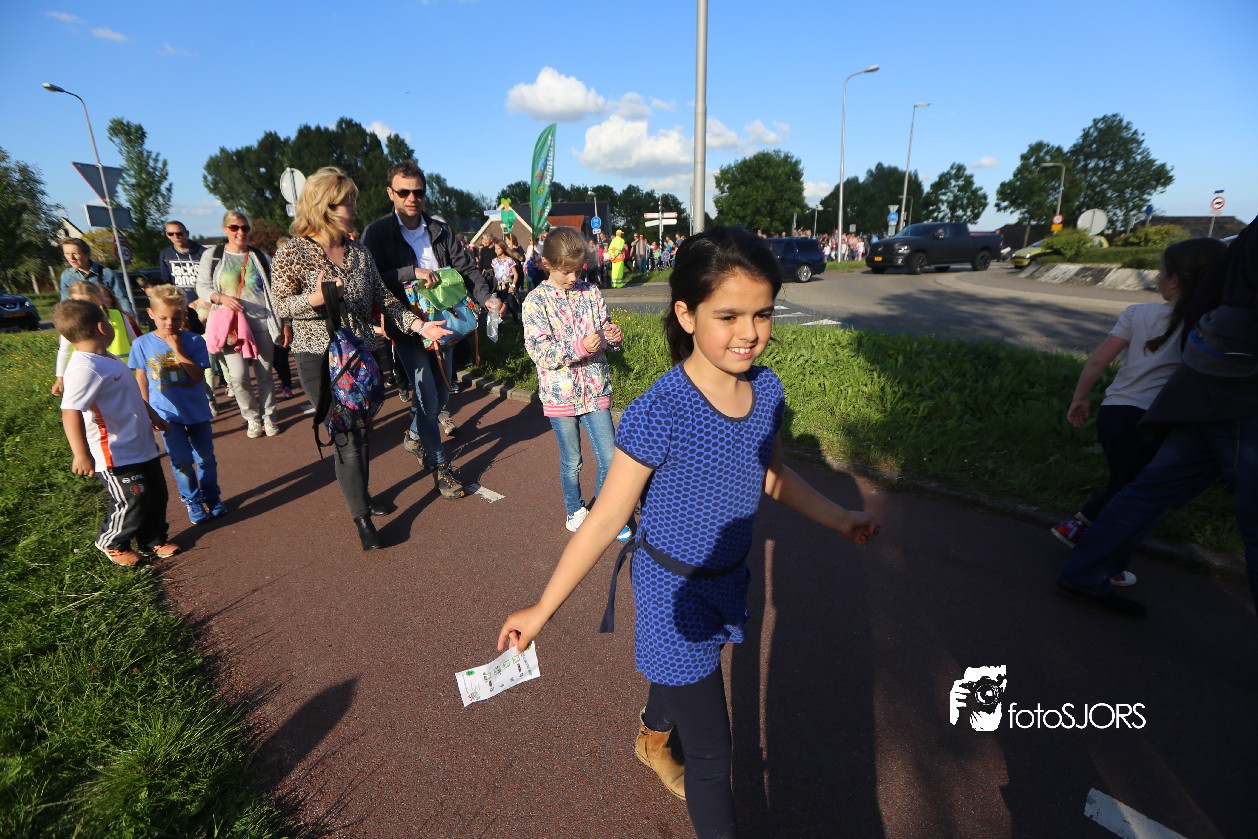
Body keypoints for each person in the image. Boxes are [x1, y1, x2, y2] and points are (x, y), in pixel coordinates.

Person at [498, 227, 880, 836]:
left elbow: (772, 476)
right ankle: (670, 752)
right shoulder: (660, 410)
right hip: (671, 595)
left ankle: (652, 731)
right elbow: (606, 518)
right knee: (711, 754)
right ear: (687, 314)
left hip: (729, 580)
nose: (749, 332)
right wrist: (542, 609)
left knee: (687, 676)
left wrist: (840, 517)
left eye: (762, 314)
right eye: (728, 316)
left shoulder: (767, 390)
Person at [1057, 218, 1257, 617]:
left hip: (1120, 411)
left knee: (1137, 487)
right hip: (1165, 413)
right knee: (1135, 486)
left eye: (1161, 273)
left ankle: (1085, 553)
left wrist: (1080, 398)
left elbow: (1098, 360)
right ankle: (1088, 541)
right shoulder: (1191, 319)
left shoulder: (1145, 313)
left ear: (1175, 279)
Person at [273, 166, 447, 551]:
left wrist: (420, 326)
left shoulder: (359, 252)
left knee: (362, 431)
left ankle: (363, 496)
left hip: (360, 355)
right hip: (319, 358)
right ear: (323, 206)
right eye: (346, 203)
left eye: (352, 201)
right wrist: (317, 298)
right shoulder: (293, 252)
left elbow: (384, 299)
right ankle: (363, 519)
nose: (354, 209)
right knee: (346, 435)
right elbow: (281, 304)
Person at [360, 159, 502, 482]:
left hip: (444, 322)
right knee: (427, 396)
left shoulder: (439, 229)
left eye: (419, 192)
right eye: (404, 192)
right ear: (391, 193)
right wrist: (412, 272)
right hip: (407, 326)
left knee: (444, 394)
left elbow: (467, 269)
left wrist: (486, 298)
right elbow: (371, 277)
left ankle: (414, 435)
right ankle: (440, 468)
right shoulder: (378, 233)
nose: (412, 198)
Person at [522, 226, 633, 540]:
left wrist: (612, 336)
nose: (573, 277)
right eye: (566, 271)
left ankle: (602, 515)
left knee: (610, 457)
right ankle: (575, 511)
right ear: (547, 264)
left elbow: (604, 331)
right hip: (560, 394)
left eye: (578, 270)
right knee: (572, 460)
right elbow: (540, 353)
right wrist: (580, 347)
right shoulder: (535, 301)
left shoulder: (591, 292)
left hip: (595, 388)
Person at [55, 298, 178, 567]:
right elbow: (70, 411)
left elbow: (131, 393)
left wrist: (153, 415)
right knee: (133, 498)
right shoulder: (84, 369)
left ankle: (152, 541)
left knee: (157, 494)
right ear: (102, 327)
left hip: (141, 445)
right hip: (115, 453)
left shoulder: (107, 358)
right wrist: (81, 454)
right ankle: (111, 542)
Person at [128, 283, 224, 525]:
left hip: (197, 411)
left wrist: (178, 349)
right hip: (166, 414)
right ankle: (192, 500)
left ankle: (212, 496)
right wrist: (146, 410)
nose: (170, 323)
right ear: (151, 314)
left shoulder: (194, 341)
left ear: (184, 316)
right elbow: (141, 379)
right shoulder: (141, 344)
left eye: (176, 317)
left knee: (205, 458)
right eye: (163, 318)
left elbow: (197, 376)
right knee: (181, 461)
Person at [197, 210, 288, 439]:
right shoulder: (213, 255)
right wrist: (220, 298)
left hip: (262, 321)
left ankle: (269, 416)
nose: (240, 232)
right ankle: (252, 418)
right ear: (225, 229)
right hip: (231, 325)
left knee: (265, 373)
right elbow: (203, 287)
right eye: (234, 227)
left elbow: (277, 290)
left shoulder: (260, 257)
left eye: (244, 227)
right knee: (238, 376)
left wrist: (284, 321)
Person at [51, 280, 140, 397]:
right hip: (92, 378)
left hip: (125, 376)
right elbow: (65, 351)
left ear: (100, 299)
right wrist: (60, 379)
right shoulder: (72, 324)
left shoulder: (118, 316)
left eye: (90, 302)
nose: (86, 307)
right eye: (80, 302)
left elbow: (135, 343)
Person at [58, 238, 136, 319]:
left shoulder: (106, 273)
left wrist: (129, 319)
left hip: (107, 319)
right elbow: (65, 303)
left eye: (75, 253)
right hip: (82, 321)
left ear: (87, 254)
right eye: (67, 254)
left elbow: (121, 298)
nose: (71, 258)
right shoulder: (66, 276)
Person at [158, 220, 206, 294]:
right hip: (178, 298)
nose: (176, 237)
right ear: (167, 235)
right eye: (171, 234)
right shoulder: (165, 253)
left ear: (187, 233)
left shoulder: (203, 252)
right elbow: (166, 281)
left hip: (202, 298)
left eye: (179, 233)